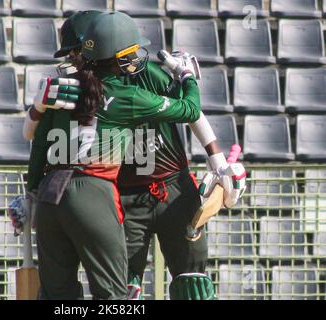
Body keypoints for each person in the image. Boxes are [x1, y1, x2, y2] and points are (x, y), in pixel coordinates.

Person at [20, 11, 247, 300]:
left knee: (188, 284)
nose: (73, 59)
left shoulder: (64, 89)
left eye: (76, 51)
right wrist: (187, 75)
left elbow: (35, 140)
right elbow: (189, 107)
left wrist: (217, 160)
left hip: (160, 188)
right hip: (111, 194)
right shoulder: (106, 92)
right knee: (119, 295)